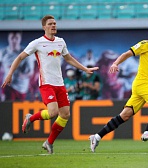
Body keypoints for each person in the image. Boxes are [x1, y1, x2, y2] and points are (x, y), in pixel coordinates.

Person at [1, 15, 99, 154]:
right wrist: (10, 73)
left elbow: (69, 58)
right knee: (53, 112)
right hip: (46, 83)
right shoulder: (37, 43)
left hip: (60, 83)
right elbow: (20, 57)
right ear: (44, 27)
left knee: (65, 114)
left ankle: (49, 142)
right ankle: (31, 118)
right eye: (50, 24)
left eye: (55, 23)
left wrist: (85, 69)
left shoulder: (60, 42)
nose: (54, 25)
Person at [0, 32, 35, 101]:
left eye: (16, 38)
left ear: (20, 39)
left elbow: (30, 72)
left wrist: (22, 75)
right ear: (8, 38)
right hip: (8, 86)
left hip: (21, 88)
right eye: (12, 38)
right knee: (8, 108)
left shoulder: (27, 53)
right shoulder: (3, 52)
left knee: (18, 109)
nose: (14, 40)